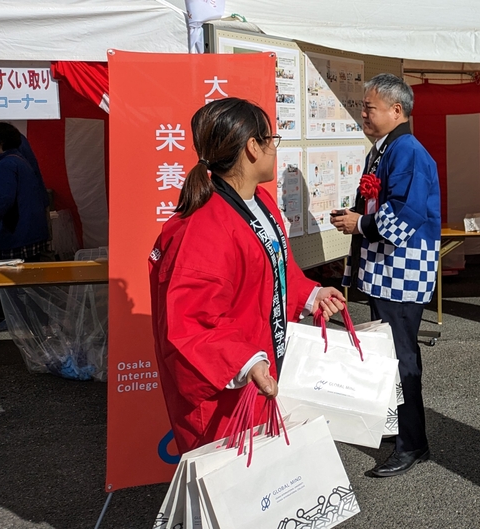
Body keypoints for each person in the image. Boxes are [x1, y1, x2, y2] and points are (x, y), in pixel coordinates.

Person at [149, 98, 345, 453]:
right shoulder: (202, 227)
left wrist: (311, 295)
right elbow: (190, 322)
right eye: (270, 138)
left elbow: (277, 271)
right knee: (240, 491)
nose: (274, 148)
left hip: (269, 362)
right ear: (252, 147)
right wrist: (245, 360)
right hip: (234, 385)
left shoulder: (262, 201)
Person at [330, 73, 440, 478]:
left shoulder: (406, 150)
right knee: (390, 356)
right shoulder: (386, 149)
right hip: (386, 269)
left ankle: (413, 444)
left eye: (368, 107)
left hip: (401, 270)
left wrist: (358, 224)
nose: (363, 113)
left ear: (397, 110)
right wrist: (359, 222)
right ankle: (405, 432)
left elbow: (405, 216)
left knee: (401, 356)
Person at [0, 122, 49, 261]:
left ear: (0, 141)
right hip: (29, 231)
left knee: (18, 277)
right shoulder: (17, 159)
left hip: (16, 233)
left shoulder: (6, 165)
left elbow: (3, 200)